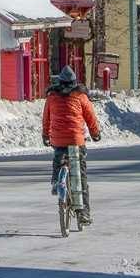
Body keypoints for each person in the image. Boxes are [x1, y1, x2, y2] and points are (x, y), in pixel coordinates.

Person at [42, 65, 100, 224]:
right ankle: (83, 213)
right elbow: (91, 117)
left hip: (58, 139)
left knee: (58, 159)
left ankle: (56, 181)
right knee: (80, 175)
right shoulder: (80, 96)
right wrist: (95, 133)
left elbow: (46, 118)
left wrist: (45, 135)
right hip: (76, 140)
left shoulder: (52, 97)